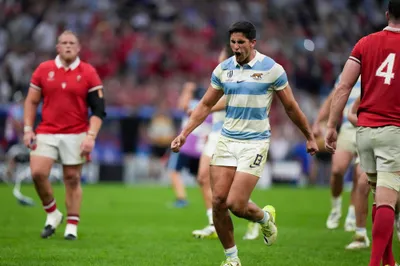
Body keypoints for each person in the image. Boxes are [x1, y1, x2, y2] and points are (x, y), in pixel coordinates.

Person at [171, 21, 318, 266]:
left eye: (241, 42)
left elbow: (291, 107)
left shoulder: (272, 69)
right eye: (233, 42)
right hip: (227, 140)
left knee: (236, 204)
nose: (236, 47)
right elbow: (205, 105)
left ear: (253, 43)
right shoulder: (223, 70)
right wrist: (185, 133)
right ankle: (232, 259)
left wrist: (309, 136)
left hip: (255, 143)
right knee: (218, 202)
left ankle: (264, 219)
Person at [326, 1, 400, 264]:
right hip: (394, 130)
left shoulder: (365, 43)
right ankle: (375, 262)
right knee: (389, 200)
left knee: (380, 199)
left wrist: (331, 126)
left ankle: (389, 261)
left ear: (387, 14)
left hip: (364, 131)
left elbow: (344, 87)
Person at [23, 30, 106, 240]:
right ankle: (52, 213)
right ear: (57, 47)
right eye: (64, 43)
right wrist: (27, 128)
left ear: (78, 48)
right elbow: (32, 101)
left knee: (72, 178)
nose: (68, 46)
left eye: (72, 43)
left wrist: (91, 136)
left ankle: (71, 226)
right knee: (38, 173)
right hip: (47, 130)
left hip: (76, 133)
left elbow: (98, 110)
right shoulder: (44, 69)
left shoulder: (88, 72)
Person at [191, 46, 260, 241]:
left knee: (227, 189)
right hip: (215, 133)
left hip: (231, 134)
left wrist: (205, 108)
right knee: (203, 178)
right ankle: (213, 223)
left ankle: (257, 216)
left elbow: (230, 101)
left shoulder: (240, 77)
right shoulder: (221, 76)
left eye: (223, 57)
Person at [313, 76, 361, 232]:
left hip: (367, 128)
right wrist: (318, 122)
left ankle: (352, 215)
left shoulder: (377, 69)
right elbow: (333, 97)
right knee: (337, 170)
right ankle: (336, 208)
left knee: (360, 176)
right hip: (348, 128)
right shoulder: (349, 72)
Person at [167, 82, 211, 208]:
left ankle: (181, 198)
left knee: (174, 171)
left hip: (186, 147)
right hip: (202, 149)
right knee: (202, 179)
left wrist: (187, 90)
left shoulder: (195, 106)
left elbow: (182, 105)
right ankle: (211, 203)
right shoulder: (212, 110)